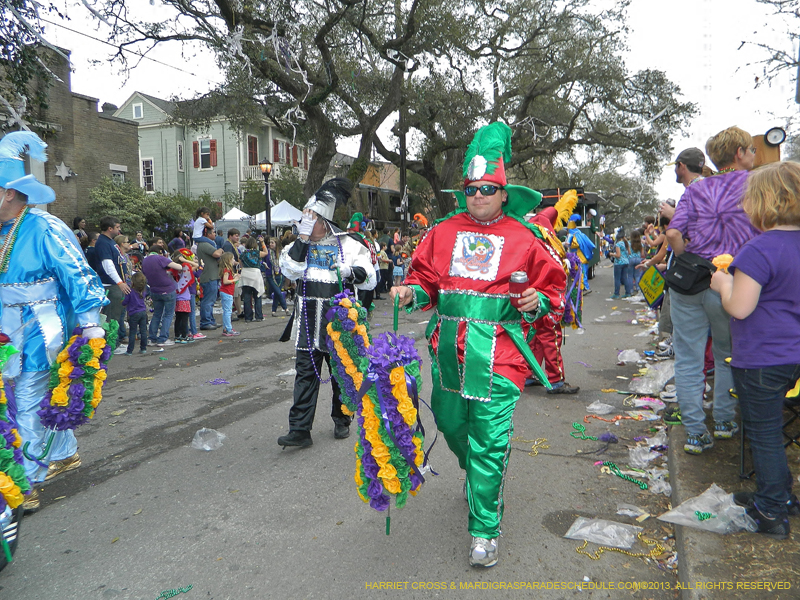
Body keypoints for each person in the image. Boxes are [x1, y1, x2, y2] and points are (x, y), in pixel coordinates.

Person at [391, 122, 565, 568]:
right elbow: (426, 280)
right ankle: (477, 474)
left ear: (505, 193)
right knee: (450, 427)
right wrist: (412, 293)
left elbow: (554, 294)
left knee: (488, 441)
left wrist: (534, 301)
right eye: (471, 189)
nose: (479, 196)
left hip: (502, 357)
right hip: (449, 354)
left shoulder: (528, 239)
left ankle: (484, 530)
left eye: (488, 188)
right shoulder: (442, 233)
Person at [0, 131, 108, 512]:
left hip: (40, 329)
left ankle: (23, 484)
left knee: (27, 400)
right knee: (12, 402)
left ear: (9, 192)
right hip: (5, 332)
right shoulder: (2, 232)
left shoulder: (46, 227)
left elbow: (79, 275)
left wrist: (91, 325)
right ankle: (64, 453)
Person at [711, 161, 800, 539]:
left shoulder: (758, 250)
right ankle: (780, 494)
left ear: (762, 203)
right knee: (773, 431)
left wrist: (722, 284)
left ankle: (770, 510)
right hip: (794, 356)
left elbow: (740, 307)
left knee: (762, 432)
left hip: (762, 356)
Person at [665, 126, 760, 454]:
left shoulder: (696, 189)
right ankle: (722, 421)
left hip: (689, 283)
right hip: (732, 282)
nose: (753, 156)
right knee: (726, 354)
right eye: (751, 150)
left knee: (689, 357)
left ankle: (694, 431)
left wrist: (687, 260)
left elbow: (674, 233)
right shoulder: (756, 186)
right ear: (739, 153)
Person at [277, 178, 376, 449]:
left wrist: (349, 272)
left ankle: (342, 420)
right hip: (308, 321)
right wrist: (303, 238)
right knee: (305, 374)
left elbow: (370, 278)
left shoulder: (350, 244)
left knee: (341, 373)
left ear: (324, 221)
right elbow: (290, 270)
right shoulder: (299, 245)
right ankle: (299, 429)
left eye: (310, 220)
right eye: (303, 220)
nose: (304, 224)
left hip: (340, 322)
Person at [142, 239, 182, 347]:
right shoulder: (160, 258)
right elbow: (179, 267)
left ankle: (152, 338)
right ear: (160, 251)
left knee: (156, 314)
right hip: (167, 289)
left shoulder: (144, 261)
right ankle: (163, 339)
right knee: (168, 315)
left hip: (154, 290)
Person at [95, 216, 130, 337]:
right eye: (117, 227)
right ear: (110, 228)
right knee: (110, 318)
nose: (119, 230)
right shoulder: (103, 242)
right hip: (111, 285)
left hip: (116, 284)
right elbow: (108, 265)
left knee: (117, 316)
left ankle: (114, 343)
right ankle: (109, 346)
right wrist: (120, 282)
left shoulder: (110, 241)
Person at [196, 229, 223, 330]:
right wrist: (220, 249)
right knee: (208, 300)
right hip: (209, 276)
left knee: (210, 300)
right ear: (208, 234)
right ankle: (205, 322)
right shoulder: (204, 244)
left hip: (212, 275)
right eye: (213, 232)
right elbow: (216, 254)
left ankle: (210, 320)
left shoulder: (205, 244)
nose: (215, 234)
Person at [171, 249, 198, 343]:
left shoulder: (172, 270)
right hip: (184, 297)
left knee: (178, 318)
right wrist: (185, 260)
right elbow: (196, 265)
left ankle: (177, 336)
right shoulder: (185, 269)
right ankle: (184, 336)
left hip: (176, 296)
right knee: (184, 318)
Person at [565, 214, 595, 293]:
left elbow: (568, 244)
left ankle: (583, 288)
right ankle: (585, 287)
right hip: (584, 255)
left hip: (578, 257)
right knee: (584, 272)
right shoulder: (580, 233)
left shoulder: (571, 234)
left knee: (580, 272)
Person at [240, 236, 267, 321]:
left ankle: (248, 317)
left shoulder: (243, 253)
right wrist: (262, 243)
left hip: (245, 275)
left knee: (247, 297)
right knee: (257, 296)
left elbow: (241, 265)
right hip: (255, 274)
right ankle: (259, 316)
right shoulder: (257, 253)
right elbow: (266, 252)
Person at [122, 271, 149, 355]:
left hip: (133, 313)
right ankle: (143, 348)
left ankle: (130, 350)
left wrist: (122, 302)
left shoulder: (130, 291)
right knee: (143, 331)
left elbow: (125, 302)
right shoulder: (144, 291)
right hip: (143, 312)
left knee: (133, 332)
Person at [219, 252, 240, 336]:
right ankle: (228, 328)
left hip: (226, 292)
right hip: (227, 292)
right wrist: (234, 280)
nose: (234, 260)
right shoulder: (226, 270)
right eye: (232, 259)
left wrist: (234, 276)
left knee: (226, 311)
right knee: (228, 311)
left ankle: (226, 328)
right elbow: (225, 281)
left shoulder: (227, 269)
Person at [611, 230, 633, 299]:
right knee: (625, 278)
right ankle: (628, 292)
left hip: (619, 263)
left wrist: (611, 254)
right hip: (626, 262)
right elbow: (629, 253)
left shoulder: (618, 244)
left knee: (617, 279)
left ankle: (616, 294)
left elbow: (618, 255)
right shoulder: (627, 243)